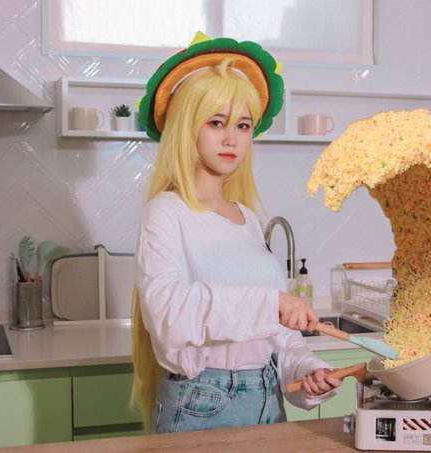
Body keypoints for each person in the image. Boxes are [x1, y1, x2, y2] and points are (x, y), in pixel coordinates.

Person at [131, 33, 342, 434]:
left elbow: (279, 337)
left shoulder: (246, 217)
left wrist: (308, 370)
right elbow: (169, 313)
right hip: (200, 404)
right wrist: (271, 302)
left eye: (243, 125)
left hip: (268, 401)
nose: (231, 138)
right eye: (216, 122)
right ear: (186, 128)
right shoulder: (165, 212)